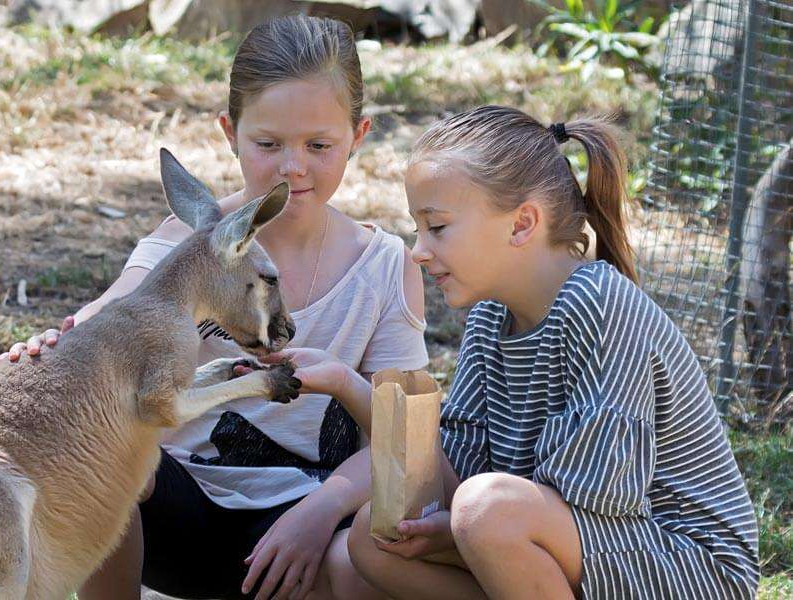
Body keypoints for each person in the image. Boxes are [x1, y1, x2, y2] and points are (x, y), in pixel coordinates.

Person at [1, 15, 428, 600]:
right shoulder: (190, 242)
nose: (292, 167)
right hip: (181, 514)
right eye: (268, 144)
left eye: (319, 145)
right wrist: (60, 338)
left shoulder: (384, 267)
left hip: (308, 526)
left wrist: (321, 511)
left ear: (359, 135)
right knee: (123, 460)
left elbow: (407, 440)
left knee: (365, 561)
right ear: (231, 133)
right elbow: (116, 307)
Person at [264, 105, 761, 599]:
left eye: (436, 227)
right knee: (374, 537)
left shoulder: (599, 305)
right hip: (553, 543)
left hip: (688, 565)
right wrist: (349, 385)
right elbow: (453, 478)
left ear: (522, 223)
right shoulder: (489, 317)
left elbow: (596, 500)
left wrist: (460, 530)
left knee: (486, 510)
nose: (417, 249)